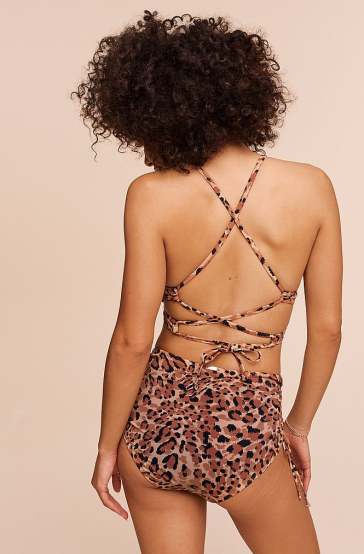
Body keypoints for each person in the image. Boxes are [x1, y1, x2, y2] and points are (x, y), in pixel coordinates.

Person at [72, 10, 342, 554]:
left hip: (156, 420)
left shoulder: (150, 194)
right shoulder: (312, 187)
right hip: (249, 426)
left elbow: (131, 341)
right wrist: (297, 427)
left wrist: (107, 447)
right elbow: (328, 330)